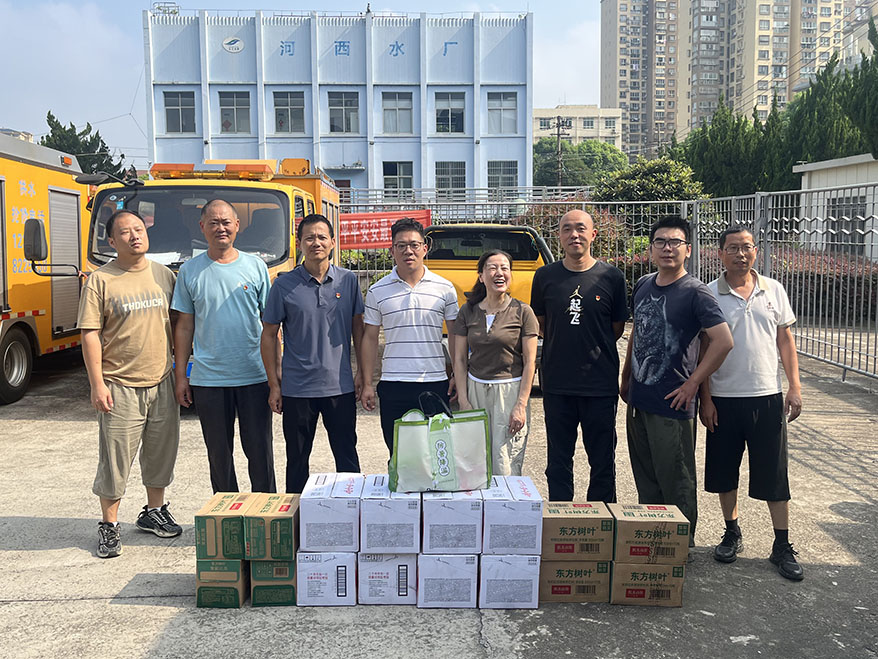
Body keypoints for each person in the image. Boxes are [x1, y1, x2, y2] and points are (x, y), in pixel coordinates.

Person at [700, 226, 804, 580]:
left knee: (774, 474)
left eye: (746, 247)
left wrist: (794, 386)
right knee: (723, 472)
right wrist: (706, 399)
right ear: (720, 254)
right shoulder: (709, 294)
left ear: (756, 251)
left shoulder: (773, 289)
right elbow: (704, 349)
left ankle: (782, 544)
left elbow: (785, 341)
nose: (740, 254)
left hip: (767, 397)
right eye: (732, 248)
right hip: (723, 399)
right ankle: (731, 532)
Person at [77, 209, 182, 559]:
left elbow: (178, 325)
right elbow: (90, 334)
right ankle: (109, 525)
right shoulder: (101, 280)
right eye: (125, 232)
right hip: (119, 384)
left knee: (161, 453)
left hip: (161, 380)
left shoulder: (163, 275)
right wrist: (97, 384)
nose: (135, 236)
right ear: (111, 240)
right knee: (115, 459)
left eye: (139, 229)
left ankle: (154, 511)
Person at [621, 215, 733, 541]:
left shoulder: (696, 292)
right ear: (651, 248)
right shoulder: (644, 284)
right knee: (646, 477)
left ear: (688, 249)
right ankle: (654, 540)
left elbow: (723, 341)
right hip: (639, 399)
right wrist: (626, 376)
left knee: (677, 479)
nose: (667, 248)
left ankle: (680, 547)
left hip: (673, 403)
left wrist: (693, 383)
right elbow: (636, 333)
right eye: (660, 242)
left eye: (675, 242)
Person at [172, 199, 276, 494]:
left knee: (260, 452)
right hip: (209, 379)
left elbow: (270, 327)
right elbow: (185, 326)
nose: (221, 228)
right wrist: (181, 377)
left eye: (226, 222)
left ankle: (264, 511)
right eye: (214, 222)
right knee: (219, 456)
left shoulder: (255, 267)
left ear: (237, 226)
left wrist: (275, 376)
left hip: (254, 375)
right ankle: (225, 512)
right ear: (202, 227)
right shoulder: (190, 271)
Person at [260, 214, 365, 493]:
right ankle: (296, 515)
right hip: (297, 389)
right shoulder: (283, 285)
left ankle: (352, 509)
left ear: (333, 242)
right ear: (299, 243)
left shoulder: (348, 281)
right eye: (309, 237)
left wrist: (362, 375)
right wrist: (274, 384)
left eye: (321, 237)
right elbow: (269, 335)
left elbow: (359, 329)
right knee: (297, 460)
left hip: (339, 386)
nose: (316, 242)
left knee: (347, 456)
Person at [531, 210, 628, 502]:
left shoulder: (611, 277)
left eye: (581, 228)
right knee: (558, 461)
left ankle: (601, 519)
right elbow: (541, 323)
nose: (574, 234)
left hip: (599, 384)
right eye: (567, 229)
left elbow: (616, 328)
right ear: (559, 236)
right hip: (557, 383)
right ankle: (562, 518)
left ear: (593, 234)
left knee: (602, 461)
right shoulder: (545, 276)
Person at [360, 217, 459, 453]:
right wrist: (367, 383)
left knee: (438, 453)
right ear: (391, 250)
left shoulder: (444, 288)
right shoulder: (377, 290)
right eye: (401, 245)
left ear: (425, 248)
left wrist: (457, 373)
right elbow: (370, 338)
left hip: (434, 382)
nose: (408, 251)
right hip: (393, 384)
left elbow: (455, 335)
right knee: (399, 454)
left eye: (414, 245)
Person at [452, 250, 539, 476]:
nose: (499, 273)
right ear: (481, 276)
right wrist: (463, 400)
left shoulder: (523, 312)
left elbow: (530, 362)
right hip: (475, 389)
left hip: (509, 392)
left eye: (504, 268)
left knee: (505, 461)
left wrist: (520, 405)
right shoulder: (468, 311)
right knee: (473, 461)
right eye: (492, 268)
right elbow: (459, 359)